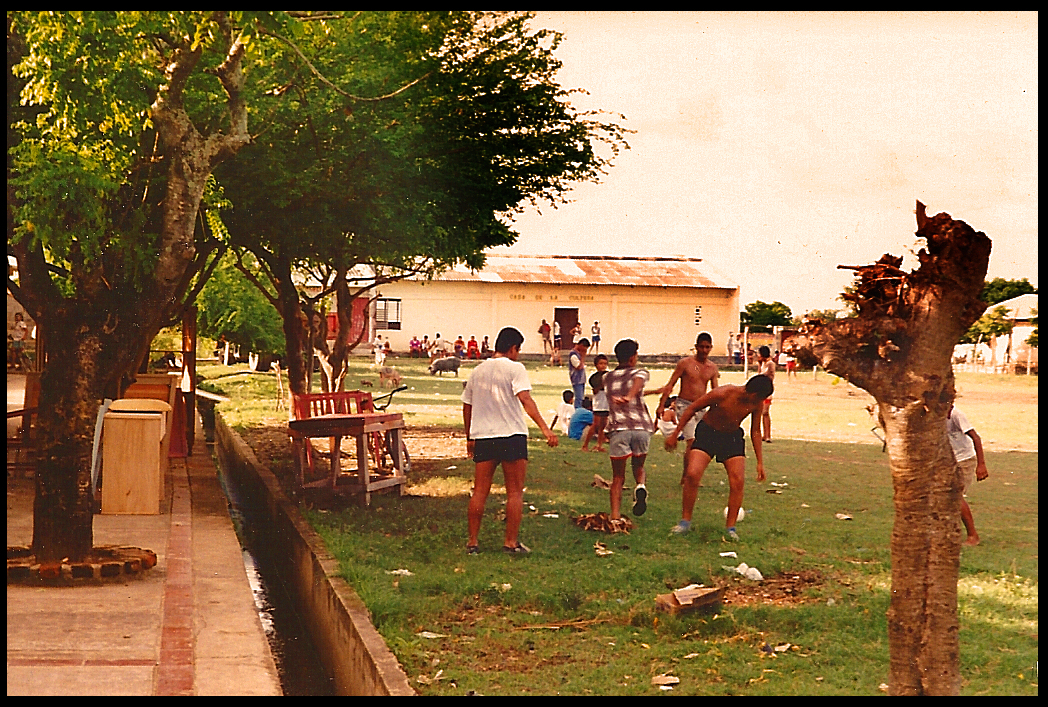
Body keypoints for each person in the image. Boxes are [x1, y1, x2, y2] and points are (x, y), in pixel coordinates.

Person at [462, 326, 558, 555]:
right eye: (519, 349)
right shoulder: (516, 368)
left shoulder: (478, 371)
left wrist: (470, 437)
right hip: (512, 436)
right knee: (514, 493)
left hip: (484, 436)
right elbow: (525, 399)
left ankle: (473, 542)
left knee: (480, 491)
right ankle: (510, 543)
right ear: (513, 348)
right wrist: (545, 429)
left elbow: (467, 406)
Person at [665, 374, 773, 541]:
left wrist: (760, 462)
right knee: (692, 474)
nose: (760, 402)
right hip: (708, 433)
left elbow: (756, 431)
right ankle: (685, 522)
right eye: (760, 397)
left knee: (738, 481)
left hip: (731, 437)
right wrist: (675, 433)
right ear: (753, 392)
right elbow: (692, 408)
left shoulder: (756, 403)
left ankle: (730, 528)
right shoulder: (723, 393)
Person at [656, 332, 720, 480]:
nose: (704, 350)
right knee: (691, 442)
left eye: (707, 347)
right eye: (702, 347)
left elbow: (715, 390)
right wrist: (661, 404)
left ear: (711, 348)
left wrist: (717, 409)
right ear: (696, 347)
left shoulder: (712, 368)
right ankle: (688, 477)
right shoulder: (685, 364)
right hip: (684, 406)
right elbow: (670, 384)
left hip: (701, 407)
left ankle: (691, 475)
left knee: (700, 444)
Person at [604, 338, 655, 521]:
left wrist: (627, 397)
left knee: (618, 476)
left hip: (619, 428)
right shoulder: (641, 372)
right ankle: (640, 485)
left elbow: (632, 386)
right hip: (641, 427)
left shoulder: (606, 377)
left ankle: (615, 516)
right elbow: (638, 382)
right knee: (639, 465)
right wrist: (631, 396)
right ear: (634, 357)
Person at [947, 403, 989, 546]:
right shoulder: (934, 414)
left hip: (964, 460)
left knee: (956, 496)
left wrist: (981, 464)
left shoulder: (956, 415)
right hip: (948, 460)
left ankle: (973, 535)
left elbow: (975, 438)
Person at [581, 354, 610, 452]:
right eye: (601, 363)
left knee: (603, 425)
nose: (603, 365)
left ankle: (599, 445)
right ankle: (585, 445)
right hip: (598, 403)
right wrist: (601, 384)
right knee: (595, 425)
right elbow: (595, 390)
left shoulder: (608, 376)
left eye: (605, 364)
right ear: (596, 365)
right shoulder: (595, 378)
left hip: (606, 404)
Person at [757, 346, 776, 443]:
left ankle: (768, 435)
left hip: (767, 391)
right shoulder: (764, 364)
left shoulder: (770, 364)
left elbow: (763, 375)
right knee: (760, 413)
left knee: (765, 412)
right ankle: (763, 434)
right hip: (761, 391)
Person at [568, 337, 590, 408]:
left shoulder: (578, 354)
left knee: (581, 397)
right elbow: (579, 367)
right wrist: (583, 356)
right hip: (577, 379)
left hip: (581, 379)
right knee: (579, 398)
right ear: (581, 345)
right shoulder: (573, 355)